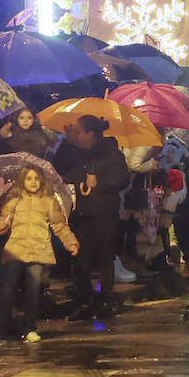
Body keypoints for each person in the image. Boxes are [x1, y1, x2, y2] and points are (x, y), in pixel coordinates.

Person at [0, 166, 79, 344]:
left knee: (33, 292)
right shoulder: (13, 202)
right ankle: (0, 329)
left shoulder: (49, 202)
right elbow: (2, 224)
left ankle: (29, 328)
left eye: (36, 178)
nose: (33, 182)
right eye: (29, 178)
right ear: (22, 181)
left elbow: (59, 226)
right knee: (7, 291)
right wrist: (0, 225)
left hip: (38, 251)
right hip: (15, 251)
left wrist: (70, 242)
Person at [52, 115, 130, 319]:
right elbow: (59, 169)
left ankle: (105, 300)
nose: (75, 136)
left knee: (105, 258)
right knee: (81, 260)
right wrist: (68, 144)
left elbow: (122, 179)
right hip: (80, 213)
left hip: (104, 214)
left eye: (78, 132)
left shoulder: (111, 153)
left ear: (90, 134)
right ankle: (83, 300)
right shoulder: (74, 152)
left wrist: (101, 183)